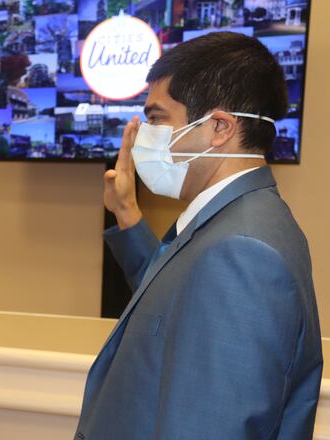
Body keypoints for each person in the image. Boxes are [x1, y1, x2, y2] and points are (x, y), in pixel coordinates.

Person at [75, 32, 322, 439]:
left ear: (219, 128)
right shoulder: (235, 220)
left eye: (156, 119)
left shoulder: (242, 251)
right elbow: (176, 306)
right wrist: (127, 212)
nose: (143, 135)